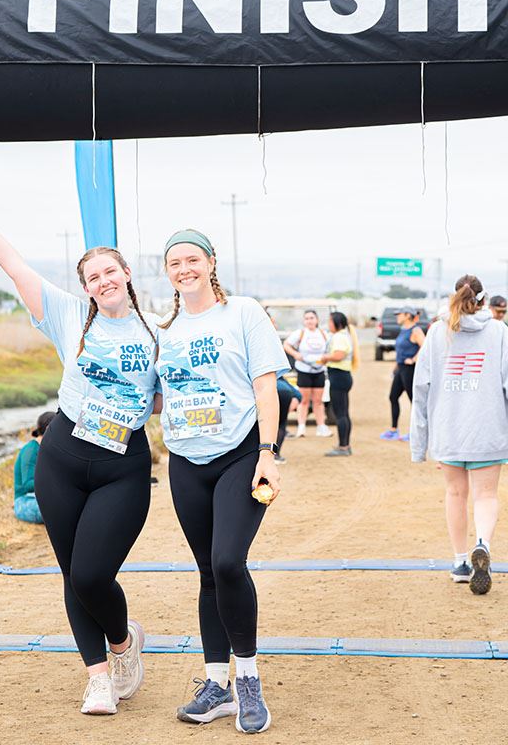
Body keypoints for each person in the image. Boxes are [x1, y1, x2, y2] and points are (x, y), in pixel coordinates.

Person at [0, 190, 159, 715]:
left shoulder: (158, 334)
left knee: (92, 574)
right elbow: (14, 266)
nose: (104, 281)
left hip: (122, 465)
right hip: (62, 460)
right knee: (71, 572)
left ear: (127, 275)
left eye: (111, 271)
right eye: (93, 276)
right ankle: (98, 677)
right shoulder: (70, 316)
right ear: (86, 287)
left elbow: (174, 398)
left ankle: (124, 642)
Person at [157, 229, 289, 735]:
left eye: (192, 259)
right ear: (167, 272)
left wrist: (268, 453)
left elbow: (265, 387)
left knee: (228, 561)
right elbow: (155, 395)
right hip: (186, 460)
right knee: (208, 572)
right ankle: (217, 685)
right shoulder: (165, 329)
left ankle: (249, 679)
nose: (184, 269)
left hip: (241, 453)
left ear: (211, 262)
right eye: (175, 263)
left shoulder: (243, 313)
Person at [411, 275, 508, 594]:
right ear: (484, 300)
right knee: (486, 495)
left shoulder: (437, 332)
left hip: (448, 428)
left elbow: (420, 388)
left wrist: (419, 444)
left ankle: (460, 562)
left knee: (455, 494)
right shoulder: (499, 332)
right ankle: (483, 544)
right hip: (488, 429)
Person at [283, 310, 332, 438]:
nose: (309, 320)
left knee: (318, 401)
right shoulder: (300, 333)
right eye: (307, 318)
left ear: (317, 320)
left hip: (319, 370)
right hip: (304, 370)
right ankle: (301, 427)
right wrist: (295, 354)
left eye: (312, 318)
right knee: (304, 400)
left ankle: (321, 427)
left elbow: (330, 348)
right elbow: (286, 344)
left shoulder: (323, 334)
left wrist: (326, 358)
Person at [380, 307, 425, 441]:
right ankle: (393, 430)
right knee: (393, 397)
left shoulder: (415, 330)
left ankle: (416, 434)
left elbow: (425, 347)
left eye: (399, 314)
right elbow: (400, 351)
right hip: (400, 368)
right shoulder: (403, 329)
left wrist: (413, 359)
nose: (397, 317)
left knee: (414, 401)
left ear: (407, 315)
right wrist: (395, 368)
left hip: (410, 369)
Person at [319, 312, 359, 457]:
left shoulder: (339, 337)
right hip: (342, 376)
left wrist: (325, 357)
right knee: (344, 413)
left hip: (338, 376)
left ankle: (343, 447)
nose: (328, 324)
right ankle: (345, 445)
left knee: (340, 414)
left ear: (337, 323)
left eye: (330, 321)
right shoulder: (343, 335)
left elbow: (339, 355)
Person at [13, 411, 55, 523]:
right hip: (25, 501)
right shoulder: (31, 450)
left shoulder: (48, 449)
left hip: (40, 499)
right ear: (48, 428)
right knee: (60, 509)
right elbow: (28, 484)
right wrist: (54, 483)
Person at [275, 376, 301, 463]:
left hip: (272, 392)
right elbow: (298, 395)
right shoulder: (280, 377)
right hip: (286, 392)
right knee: (281, 425)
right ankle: (276, 455)